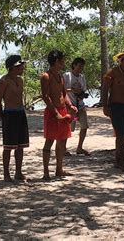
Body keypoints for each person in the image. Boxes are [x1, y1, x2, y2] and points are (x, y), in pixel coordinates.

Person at [41, 50, 77, 180]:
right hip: (52, 112)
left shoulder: (60, 76)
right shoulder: (46, 76)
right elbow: (46, 97)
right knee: (49, 141)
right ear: (57, 61)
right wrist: (55, 113)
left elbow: (63, 94)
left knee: (62, 141)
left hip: (63, 110)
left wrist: (69, 106)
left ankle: (59, 169)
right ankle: (46, 173)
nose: (64, 62)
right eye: (62, 60)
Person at [0, 55, 29, 182]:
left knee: (20, 146)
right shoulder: (4, 81)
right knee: (8, 146)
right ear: (13, 67)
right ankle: (6, 173)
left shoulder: (20, 80)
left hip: (20, 113)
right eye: (20, 66)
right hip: (9, 114)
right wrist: (2, 118)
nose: (22, 68)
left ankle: (18, 172)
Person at [63, 57, 90, 156]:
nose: (81, 68)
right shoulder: (67, 76)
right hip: (70, 107)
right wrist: (72, 91)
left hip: (81, 106)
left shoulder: (82, 77)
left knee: (84, 126)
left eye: (82, 67)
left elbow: (83, 89)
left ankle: (79, 148)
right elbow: (62, 90)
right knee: (68, 128)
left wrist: (82, 94)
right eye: (79, 66)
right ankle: (63, 148)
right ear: (74, 65)